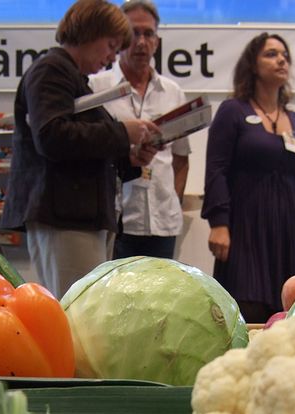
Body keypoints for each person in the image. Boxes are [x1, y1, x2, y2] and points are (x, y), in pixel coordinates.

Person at [0, 0, 160, 298]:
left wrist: (129, 159)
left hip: (78, 216)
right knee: (78, 309)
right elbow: (51, 136)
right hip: (65, 217)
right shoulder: (51, 71)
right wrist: (122, 132)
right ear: (90, 32)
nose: (112, 57)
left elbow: (79, 145)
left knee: (83, 306)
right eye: (111, 45)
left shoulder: (69, 77)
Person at [202, 33, 295, 323]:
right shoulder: (233, 111)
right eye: (271, 54)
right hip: (246, 229)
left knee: (288, 312)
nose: (281, 59)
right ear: (253, 65)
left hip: (289, 231)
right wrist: (219, 223)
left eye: (284, 55)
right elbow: (216, 169)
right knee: (246, 308)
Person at [89, 0, 190, 260]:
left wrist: (175, 201)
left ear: (157, 40)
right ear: (120, 38)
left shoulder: (173, 92)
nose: (141, 42)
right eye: (134, 33)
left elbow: (180, 159)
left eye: (148, 34)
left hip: (162, 220)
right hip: (115, 219)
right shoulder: (96, 87)